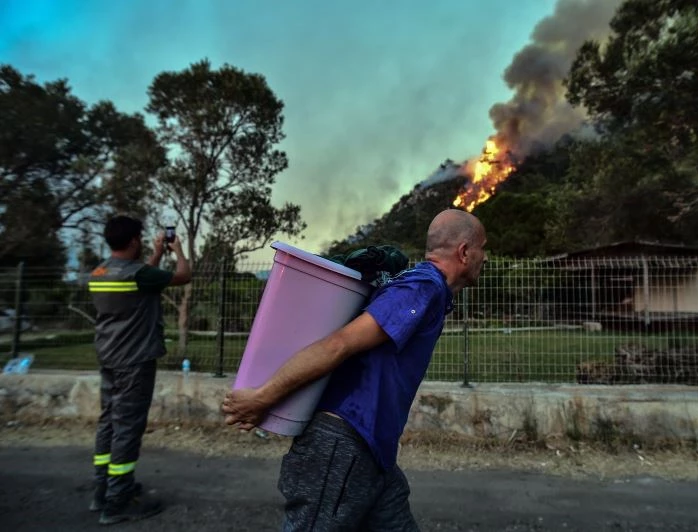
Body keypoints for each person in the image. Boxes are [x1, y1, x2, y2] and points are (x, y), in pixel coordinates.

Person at [222, 208, 487, 531]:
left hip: (373, 451)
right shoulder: (421, 287)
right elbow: (339, 344)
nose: (485, 257)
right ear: (464, 252)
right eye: (482, 248)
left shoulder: (426, 289)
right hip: (343, 444)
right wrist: (262, 398)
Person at [87, 215, 192, 526]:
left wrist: (157, 253)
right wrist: (178, 250)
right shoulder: (139, 274)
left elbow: (141, 277)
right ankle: (117, 502)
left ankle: (102, 490)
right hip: (134, 361)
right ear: (134, 240)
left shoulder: (99, 272)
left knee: (108, 421)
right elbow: (183, 276)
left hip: (108, 357)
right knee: (127, 428)